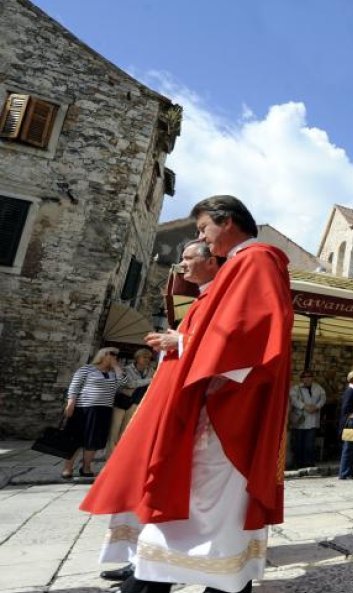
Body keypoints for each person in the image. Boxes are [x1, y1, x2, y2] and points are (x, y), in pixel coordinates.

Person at [81, 195, 294, 593]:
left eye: (202, 229)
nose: (201, 237)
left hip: (228, 405)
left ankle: (175, 579)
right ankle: (188, 578)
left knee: (207, 496)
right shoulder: (241, 265)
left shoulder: (257, 259)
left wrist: (184, 342)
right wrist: (184, 341)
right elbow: (230, 332)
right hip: (216, 398)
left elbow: (252, 334)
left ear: (226, 221)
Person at [97, 240, 224, 584]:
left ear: (212, 261)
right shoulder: (201, 301)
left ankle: (150, 567)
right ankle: (139, 559)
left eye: (188, 258)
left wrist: (179, 342)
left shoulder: (222, 299)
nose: (181, 265)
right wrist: (177, 341)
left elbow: (227, 350)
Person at [62, 347, 124, 479]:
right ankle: (68, 468)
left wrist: (116, 366)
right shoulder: (86, 369)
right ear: (103, 355)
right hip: (84, 408)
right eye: (112, 354)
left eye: (117, 355)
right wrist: (71, 403)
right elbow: (75, 386)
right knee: (75, 439)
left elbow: (123, 383)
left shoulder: (114, 372)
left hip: (103, 410)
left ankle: (86, 467)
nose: (115, 357)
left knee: (93, 440)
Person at [107, 348, 155, 456]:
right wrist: (149, 380)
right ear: (137, 358)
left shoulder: (151, 371)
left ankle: (119, 455)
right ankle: (109, 458)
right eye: (144, 357)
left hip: (135, 403)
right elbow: (129, 384)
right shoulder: (126, 369)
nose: (147, 360)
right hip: (121, 402)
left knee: (125, 431)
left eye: (148, 358)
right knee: (114, 430)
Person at [288, 370, 327, 469]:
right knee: (299, 442)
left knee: (310, 443)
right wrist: (304, 406)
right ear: (302, 379)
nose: (307, 378)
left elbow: (323, 398)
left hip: (313, 419)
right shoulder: (296, 388)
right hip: (301, 419)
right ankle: (298, 462)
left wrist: (317, 407)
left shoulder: (318, 388)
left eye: (309, 376)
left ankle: (309, 461)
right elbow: (293, 399)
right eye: (305, 377)